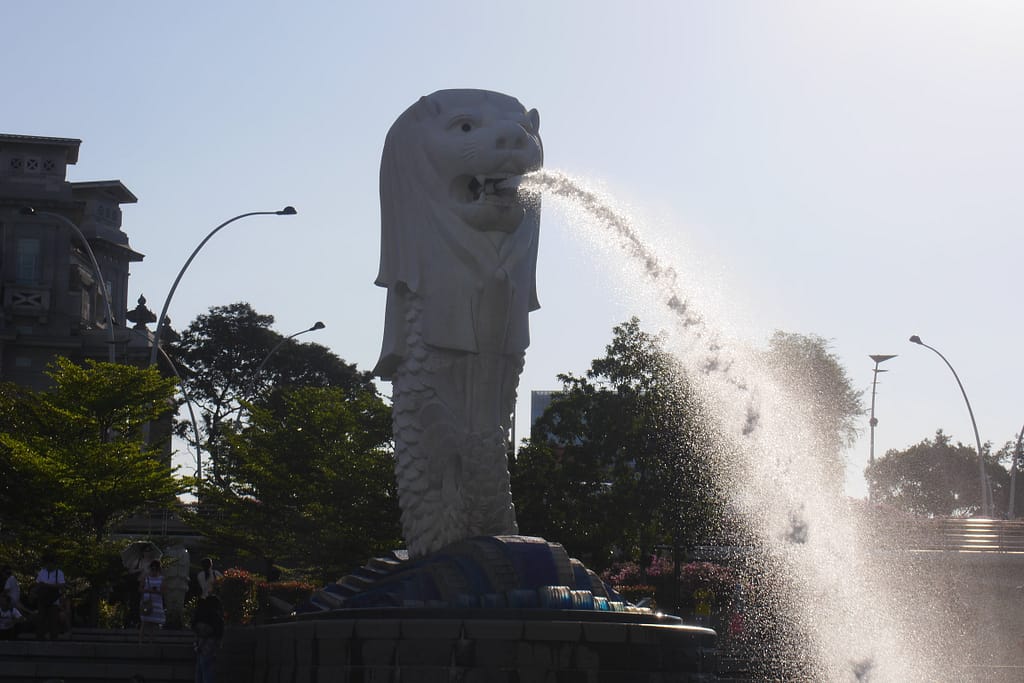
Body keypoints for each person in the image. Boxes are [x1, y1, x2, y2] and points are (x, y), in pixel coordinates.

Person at [192, 594, 224, 683]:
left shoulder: (202, 614)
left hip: (202, 644)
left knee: (201, 670)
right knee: (207, 670)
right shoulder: (216, 616)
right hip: (211, 645)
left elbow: (195, 627)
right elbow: (218, 632)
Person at [34, 554, 67, 640]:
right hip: (42, 600)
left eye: (49, 563)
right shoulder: (42, 571)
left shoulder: (59, 573)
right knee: (41, 621)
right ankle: (39, 639)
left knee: (53, 622)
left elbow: (62, 585)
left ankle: (53, 641)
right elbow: (37, 584)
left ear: (53, 563)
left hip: (53, 601)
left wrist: (47, 585)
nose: (48, 565)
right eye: (46, 563)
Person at [138, 560, 166, 643]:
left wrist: (155, 591)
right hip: (146, 602)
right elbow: (139, 589)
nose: (154, 570)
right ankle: (140, 642)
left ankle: (152, 641)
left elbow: (163, 591)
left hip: (157, 603)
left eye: (155, 568)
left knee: (155, 624)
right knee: (144, 622)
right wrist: (148, 590)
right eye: (152, 568)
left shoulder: (162, 578)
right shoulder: (146, 577)